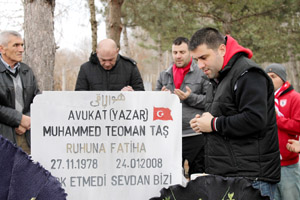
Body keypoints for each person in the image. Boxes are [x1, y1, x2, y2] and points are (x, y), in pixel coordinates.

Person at [189, 27, 280, 199]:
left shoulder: (248, 74)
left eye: (204, 57)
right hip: (228, 176)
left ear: (221, 49)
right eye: (196, 60)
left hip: (251, 179)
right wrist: (203, 123)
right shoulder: (217, 77)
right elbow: (225, 116)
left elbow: (255, 119)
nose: (200, 65)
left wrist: (213, 124)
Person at [156, 37, 209, 178]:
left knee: (198, 179)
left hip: (196, 135)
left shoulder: (202, 73)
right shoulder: (164, 75)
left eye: (182, 52)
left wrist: (189, 98)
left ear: (190, 52)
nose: (178, 56)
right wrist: (161, 99)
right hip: (172, 136)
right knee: (172, 179)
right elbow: (154, 105)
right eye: (175, 52)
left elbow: (210, 101)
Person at [0, 30, 40, 154]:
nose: (21, 49)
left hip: (26, 136)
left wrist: (27, 120)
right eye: (16, 45)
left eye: (22, 45)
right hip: (4, 136)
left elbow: (37, 98)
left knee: (26, 172)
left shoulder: (26, 70)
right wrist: (19, 119)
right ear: (2, 49)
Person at [265, 63, 300, 200]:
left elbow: (298, 125)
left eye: (273, 77)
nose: (269, 80)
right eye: (267, 77)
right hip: (269, 164)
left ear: (283, 79)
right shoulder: (263, 99)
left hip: (288, 164)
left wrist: (277, 119)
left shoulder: (295, 97)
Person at [75, 38, 145, 91]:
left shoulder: (130, 67)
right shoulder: (86, 69)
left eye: (111, 60)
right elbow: (79, 97)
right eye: (103, 60)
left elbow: (141, 94)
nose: (107, 64)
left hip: (123, 109)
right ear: (97, 52)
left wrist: (132, 94)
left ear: (117, 52)